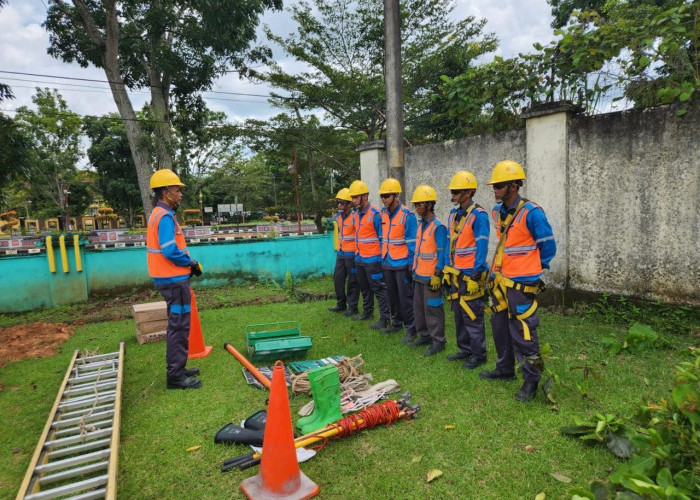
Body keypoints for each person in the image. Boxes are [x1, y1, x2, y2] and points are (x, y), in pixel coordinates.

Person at [478, 160, 556, 402]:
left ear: (514, 186)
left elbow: (548, 247)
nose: (495, 190)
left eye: (500, 185)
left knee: (524, 330)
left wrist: (531, 271)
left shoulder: (532, 213)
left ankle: (531, 382)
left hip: (521, 284)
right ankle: (504, 368)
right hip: (501, 281)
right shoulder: (498, 212)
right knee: (499, 326)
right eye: (494, 186)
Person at [146, 169, 203, 390]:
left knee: (178, 325)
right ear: (165, 191)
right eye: (177, 190)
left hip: (170, 278)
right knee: (178, 327)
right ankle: (175, 377)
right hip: (173, 280)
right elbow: (170, 251)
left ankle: (179, 368)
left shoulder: (160, 214)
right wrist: (192, 263)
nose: (180, 194)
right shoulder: (164, 217)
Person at [442, 171, 490, 369]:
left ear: (469, 192)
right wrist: (446, 268)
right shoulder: (454, 214)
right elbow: (449, 243)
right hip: (454, 273)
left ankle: (479, 354)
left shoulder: (479, 215)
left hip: (470, 274)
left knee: (472, 314)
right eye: (452, 191)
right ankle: (465, 349)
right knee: (459, 313)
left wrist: (476, 274)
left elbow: (482, 246)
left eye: (456, 191)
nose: (452, 194)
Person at [409, 185, 448, 355]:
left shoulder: (438, 227)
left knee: (433, 309)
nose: (417, 208)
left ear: (430, 205)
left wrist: (438, 274)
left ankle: (438, 340)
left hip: (431, 277)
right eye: (416, 205)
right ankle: (424, 335)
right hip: (418, 274)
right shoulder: (421, 225)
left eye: (420, 205)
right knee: (419, 309)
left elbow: (443, 253)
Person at [348, 179, 391, 328]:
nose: (353, 200)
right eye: (352, 197)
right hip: (360, 258)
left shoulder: (375, 214)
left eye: (356, 197)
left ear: (364, 196)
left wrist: (381, 260)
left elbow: (381, 238)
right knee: (364, 287)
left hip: (373, 260)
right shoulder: (355, 214)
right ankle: (368, 312)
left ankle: (385, 317)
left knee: (378, 288)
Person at [378, 178, 417, 335]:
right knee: (392, 296)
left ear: (396, 196)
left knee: (405, 298)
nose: (383, 199)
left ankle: (411, 328)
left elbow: (413, 244)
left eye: (387, 196)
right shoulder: (382, 214)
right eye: (382, 196)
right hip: (387, 262)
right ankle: (396, 323)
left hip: (402, 264)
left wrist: (410, 265)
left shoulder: (408, 215)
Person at [329, 187, 360, 316]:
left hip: (351, 255)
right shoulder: (338, 217)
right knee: (338, 278)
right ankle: (341, 304)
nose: (339, 206)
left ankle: (353, 307)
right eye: (338, 203)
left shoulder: (355, 217)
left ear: (349, 204)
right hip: (341, 254)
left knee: (353, 281)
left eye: (342, 203)